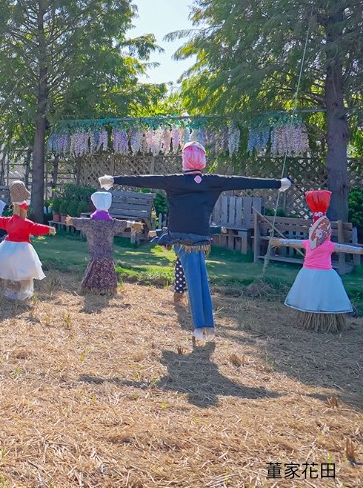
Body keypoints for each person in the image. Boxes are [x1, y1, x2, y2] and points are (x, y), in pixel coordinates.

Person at [100, 141, 291, 344]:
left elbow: (146, 180)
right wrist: (278, 183)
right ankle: (208, 326)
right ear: (203, 161)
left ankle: (200, 327)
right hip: (200, 237)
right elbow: (244, 181)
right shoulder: (213, 181)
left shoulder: (175, 181)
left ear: (184, 160)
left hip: (182, 237)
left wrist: (114, 179)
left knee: (194, 281)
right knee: (200, 280)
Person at [275, 190, 362, 333]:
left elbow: (289, 242)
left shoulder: (320, 244)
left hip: (311, 274)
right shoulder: (315, 244)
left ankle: (321, 323)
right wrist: (280, 242)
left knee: (311, 297)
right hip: (321, 274)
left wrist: (279, 242)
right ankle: (313, 322)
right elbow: (347, 248)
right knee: (320, 298)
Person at [66, 191, 141, 295]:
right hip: (107, 253)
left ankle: (90, 289)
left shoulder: (91, 222)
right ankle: (107, 290)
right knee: (107, 267)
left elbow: (78, 221)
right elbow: (125, 224)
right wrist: (134, 224)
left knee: (94, 267)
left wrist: (71, 220)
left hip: (96, 253)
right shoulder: (112, 223)